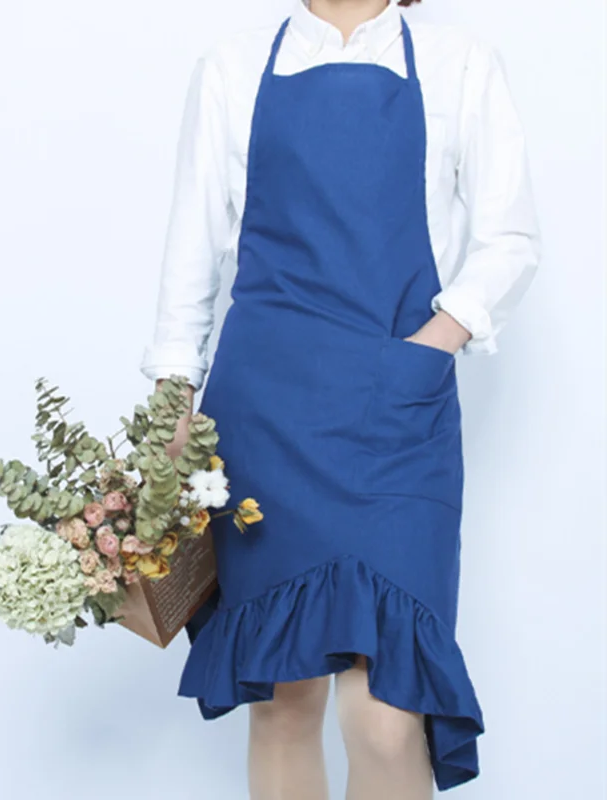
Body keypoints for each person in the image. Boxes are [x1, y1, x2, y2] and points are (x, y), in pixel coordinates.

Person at [139, 0, 541, 797]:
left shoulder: (461, 61)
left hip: (398, 416)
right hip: (265, 416)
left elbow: (511, 239)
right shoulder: (230, 66)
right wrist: (170, 412)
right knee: (285, 701)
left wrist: (430, 346)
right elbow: (192, 253)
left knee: (386, 719)